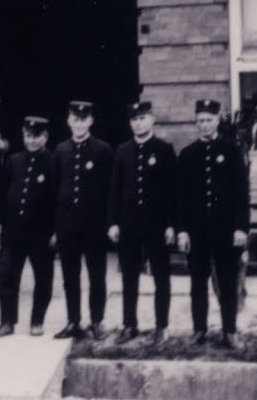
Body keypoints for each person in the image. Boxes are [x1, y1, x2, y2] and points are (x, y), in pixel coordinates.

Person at [176, 98, 249, 348]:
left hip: (225, 231)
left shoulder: (231, 151)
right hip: (197, 231)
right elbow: (181, 198)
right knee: (198, 283)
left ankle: (230, 331)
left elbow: (242, 193)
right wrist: (182, 230)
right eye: (200, 121)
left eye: (209, 120)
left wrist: (241, 228)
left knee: (227, 282)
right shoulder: (187, 155)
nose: (204, 125)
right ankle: (199, 329)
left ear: (217, 120)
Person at [107, 100, 177, 342]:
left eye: (143, 118)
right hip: (128, 224)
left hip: (156, 225)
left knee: (161, 276)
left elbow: (172, 191)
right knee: (129, 276)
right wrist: (113, 222)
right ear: (130, 123)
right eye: (134, 120)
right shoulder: (122, 151)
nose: (138, 123)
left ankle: (162, 326)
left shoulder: (164, 150)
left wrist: (171, 224)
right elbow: (114, 189)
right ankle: (129, 324)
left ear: (152, 119)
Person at [51, 99, 112, 341]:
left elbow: (109, 189)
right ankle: (73, 321)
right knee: (70, 276)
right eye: (75, 119)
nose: (79, 124)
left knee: (97, 275)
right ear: (68, 121)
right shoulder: (61, 150)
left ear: (91, 121)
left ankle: (96, 321)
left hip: (94, 226)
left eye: (83, 119)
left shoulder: (102, 150)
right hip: (67, 226)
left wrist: (107, 223)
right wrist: (56, 226)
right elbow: (56, 190)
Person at [0, 116, 56, 337]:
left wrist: (55, 230)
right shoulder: (13, 160)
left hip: (41, 232)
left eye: (37, 136)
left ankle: (37, 321)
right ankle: (7, 322)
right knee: (6, 276)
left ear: (45, 137)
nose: (32, 141)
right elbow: (1, 194)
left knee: (43, 277)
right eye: (28, 136)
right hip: (13, 231)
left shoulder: (53, 161)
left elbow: (58, 198)